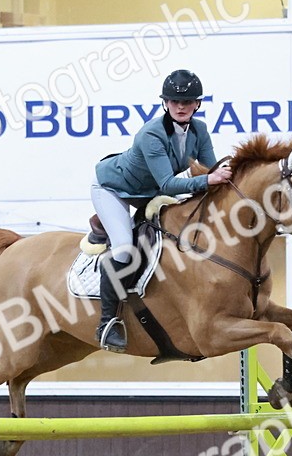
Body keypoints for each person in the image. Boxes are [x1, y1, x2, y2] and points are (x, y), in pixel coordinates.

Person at [89, 69, 231, 353]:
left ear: (197, 104)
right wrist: (208, 180)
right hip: (114, 190)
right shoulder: (151, 133)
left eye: (188, 101)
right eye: (174, 101)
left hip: (150, 193)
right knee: (125, 250)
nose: (181, 106)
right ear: (165, 103)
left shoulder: (199, 130)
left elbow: (209, 170)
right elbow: (169, 183)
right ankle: (108, 322)